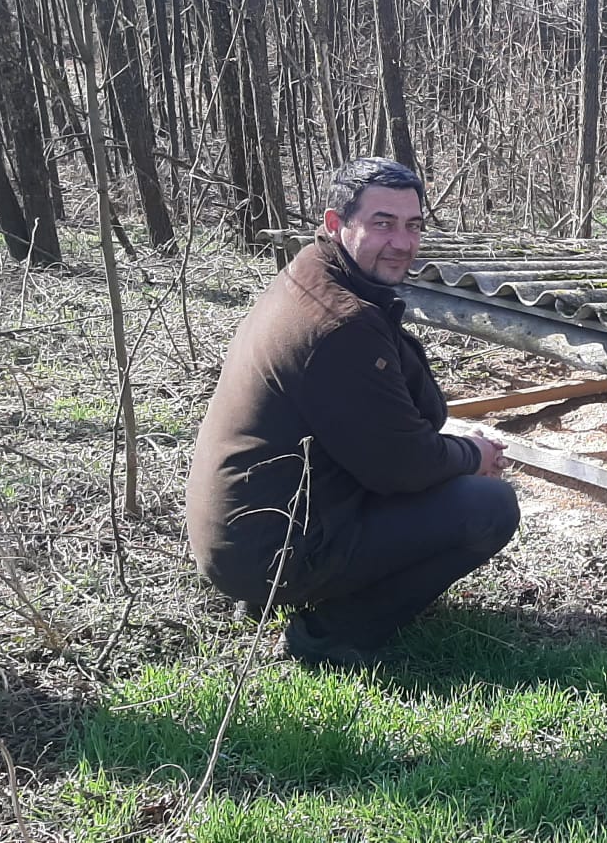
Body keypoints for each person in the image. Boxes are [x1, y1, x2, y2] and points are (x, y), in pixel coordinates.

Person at [188, 158, 519, 666]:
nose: (403, 243)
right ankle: (328, 635)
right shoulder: (340, 324)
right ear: (335, 224)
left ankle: (272, 597)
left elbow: (384, 429)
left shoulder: (310, 271)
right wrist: (472, 453)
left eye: (413, 226)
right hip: (267, 551)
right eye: (382, 223)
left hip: (245, 532)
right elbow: (404, 466)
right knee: (488, 506)